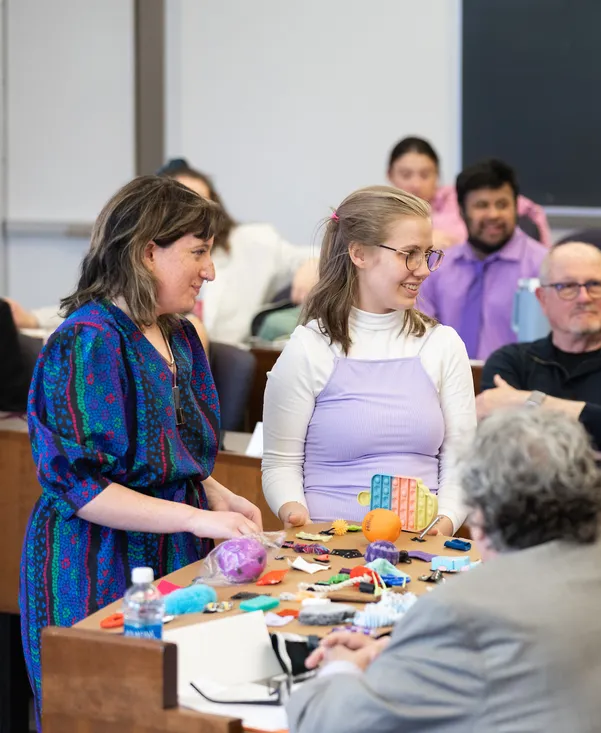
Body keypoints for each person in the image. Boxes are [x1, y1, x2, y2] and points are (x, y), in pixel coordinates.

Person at [288, 408, 601, 733]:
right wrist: (399, 656)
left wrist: (340, 664)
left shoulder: (462, 611)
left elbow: (330, 724)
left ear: (482, 519)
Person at [19, 176, 264, 719]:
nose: (211, 269)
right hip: (95, 562)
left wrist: (214, 492)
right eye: (198, 252)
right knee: (105, 713)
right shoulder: (88, 341)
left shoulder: (177, 334)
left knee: (175, 712)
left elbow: (165, 449)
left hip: (167, 551)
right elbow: (81, 487)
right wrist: (195, 520)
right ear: (148, 250)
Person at [261, 186, 474, 537]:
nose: (423, 270)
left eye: (427, 254)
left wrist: (445, 521)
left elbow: (462, 461)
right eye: (409, 254)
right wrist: (295, 512)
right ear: (359, 254)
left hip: (419, 548)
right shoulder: (308, 347)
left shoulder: (443, 344)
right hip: (327, 546)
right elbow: (281, 462)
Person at [7, 159, 318, 345]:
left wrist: (312, 262)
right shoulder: (89, 339)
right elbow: (104, 303)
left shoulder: (253, 243)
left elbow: (325, 254)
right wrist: (33, 319)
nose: (209, 271)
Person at [478, 242, 601, 472]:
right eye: (568, 286)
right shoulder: (509, 362)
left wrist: (525, 401)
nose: (584, 298)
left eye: (594, 285)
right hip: (524, 501)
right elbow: (504, 450)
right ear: (542, 299)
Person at [417, 158, 548, 359]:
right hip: (445, 383)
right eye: (481, 205)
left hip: (519, 386)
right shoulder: (436, 268)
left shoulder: (545, 267)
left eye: (502, 204)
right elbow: (420, 339)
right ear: (462, 211)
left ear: (515, 208)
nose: (493, 214)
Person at [387, 136, 552, 249]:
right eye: (406, 175)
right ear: (390, 175)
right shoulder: (378, 213)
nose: (416, 184)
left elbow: (531, 210)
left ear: (437, 175)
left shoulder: (462, 196)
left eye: (425, 175)